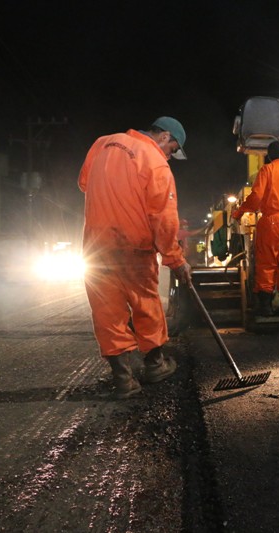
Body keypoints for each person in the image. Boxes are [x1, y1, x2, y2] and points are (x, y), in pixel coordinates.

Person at [78, 116, 192, 399]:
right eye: (172, 149)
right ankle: (155, 366)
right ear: (164, 136)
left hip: (97, 246)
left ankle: (123, 380)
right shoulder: (155, 162)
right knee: (145, 305)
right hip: (134, 248)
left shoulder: (102, 143)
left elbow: (84, 183)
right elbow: (164, 219)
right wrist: (175, 259)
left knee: (107, 312)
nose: (170, 156)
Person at [231, 140, 279, 317]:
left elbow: (256, 197)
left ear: (269, 156)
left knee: (267, 263)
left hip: (272, 221)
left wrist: (239, 212)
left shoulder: (267, 170)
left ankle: (265, 307)